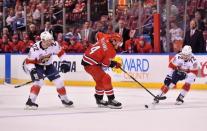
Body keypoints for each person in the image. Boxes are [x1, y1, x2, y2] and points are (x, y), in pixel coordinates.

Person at [24, 31, 73, 109]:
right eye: (48, 40)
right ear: (42, 40)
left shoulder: (54, 44)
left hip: (49, 66)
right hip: (37, 66)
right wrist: (33, 70)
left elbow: (62, 54)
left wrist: (64, 62)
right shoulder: (34, 48)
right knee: (38, 82)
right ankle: (30, 101)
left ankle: (64, 99)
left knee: (59, 81)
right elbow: (28, 62)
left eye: (51, 39)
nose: (50, 42)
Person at [81, 33, 123, 109]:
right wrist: (114, 64)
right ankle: (111, 100)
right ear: (113, 40)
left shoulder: (106, 36)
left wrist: (93, 44)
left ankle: (99, 99)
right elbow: (104, 64)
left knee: (100, 81)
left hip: (87, 60)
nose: (119, 45)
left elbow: (97, 34)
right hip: (91, 65)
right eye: (118, 43)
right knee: (106, 78)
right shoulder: (111, 51)